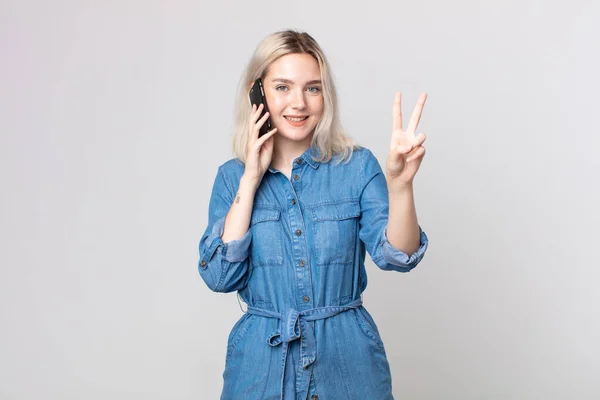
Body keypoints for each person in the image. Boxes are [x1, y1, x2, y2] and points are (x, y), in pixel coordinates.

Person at [198, 29, 429, 400]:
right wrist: (252, 177)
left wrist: (401, 185)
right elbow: (221, 275)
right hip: (260, 367)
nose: (299, 103)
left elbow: (397, 256)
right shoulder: (232, 178)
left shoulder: (357, 167)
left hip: (348, 362)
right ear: (258, 93)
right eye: (283, 87)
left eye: (312, 88)